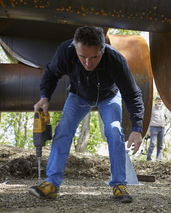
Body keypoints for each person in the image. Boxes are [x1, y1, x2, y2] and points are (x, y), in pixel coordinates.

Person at [28, 26, 144, 203]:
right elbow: (51, 74)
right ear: (75, 48)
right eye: (82, 57)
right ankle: (51, 184)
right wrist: (44, 97)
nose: (88, 64)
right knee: (63, 129)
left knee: (114, 131)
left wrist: (137, 128)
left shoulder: (115, 60)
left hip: (109, 96)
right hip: (78, 96)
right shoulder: (66, 51)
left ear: (102, 50)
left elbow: (132, 94)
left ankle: (119, 184)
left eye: (94, 57)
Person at [146, 96, 169, 162]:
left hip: (161, 128)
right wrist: (148, 130)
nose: (159, 102)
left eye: (160, 101)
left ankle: (159, 159)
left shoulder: (163, 108)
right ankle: (148, 158)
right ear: (156, 101)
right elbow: (149, 119)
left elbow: (167, 117)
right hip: (153, 127)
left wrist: (166, 122)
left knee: (160, 144)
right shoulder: (152, 108)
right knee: (152, 143)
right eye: (158, 101)